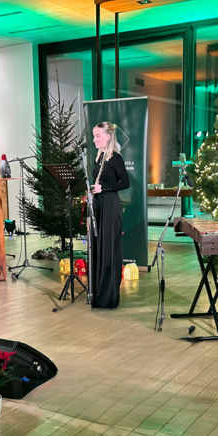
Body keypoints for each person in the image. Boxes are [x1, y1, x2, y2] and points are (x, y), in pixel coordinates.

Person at [90, 121, 130, 309]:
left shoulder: (116, 158)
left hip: (110, 206)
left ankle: (108, 296)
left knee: (108, 249)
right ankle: (98, 292)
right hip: (99, 205)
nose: (94, 140)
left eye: (97, 136)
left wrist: (103, 188)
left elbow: (125, 183)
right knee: (99, 248)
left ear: (108, 136)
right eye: (94, 136)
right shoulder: (99, 157)